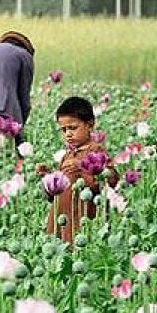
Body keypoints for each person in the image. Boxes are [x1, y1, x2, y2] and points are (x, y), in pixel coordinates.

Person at [36, 96, 120, 244]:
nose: (68, 133)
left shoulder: (96, 151)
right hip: (61, 219)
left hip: (82, 221)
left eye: (73, 128)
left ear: (90, 124)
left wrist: (82, 166)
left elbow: (110, 180)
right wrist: (48, 178)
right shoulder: (67, 155)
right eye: (63, 130)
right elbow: (61, 189)